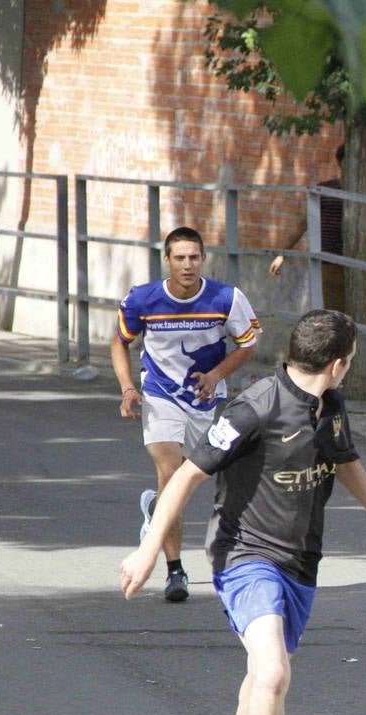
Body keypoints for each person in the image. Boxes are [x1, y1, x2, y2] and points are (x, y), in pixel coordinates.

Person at [118, 310, 366, 715]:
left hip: (301, 561)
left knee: (264, 674)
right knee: (275, 673)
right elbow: (186, 475)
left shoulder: (332, 405)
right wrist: (147, 550)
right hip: (245, 555)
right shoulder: (253, 409)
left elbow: (344, 461)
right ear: (338, 363)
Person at [110, 226, 261, 603]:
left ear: (203, 258)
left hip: (203, 400)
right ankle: (175, 570)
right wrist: (128, 388)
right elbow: (119, 342)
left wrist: (216, 375)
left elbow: (248, 344)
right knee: (170, 473)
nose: (187, 265)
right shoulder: (142, 299)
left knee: (183, 482)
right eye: (179, 258)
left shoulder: (226, 298)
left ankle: (155, 510)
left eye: (194, 257)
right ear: (167, 260)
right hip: (159, 395)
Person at [268, 144, 366, 308]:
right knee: (335, 313)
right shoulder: (324, 191)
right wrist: (282, 254)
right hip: (330, 264)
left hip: (358, 264)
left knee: (356, 313)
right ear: (341, 164)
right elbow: (302, 224)